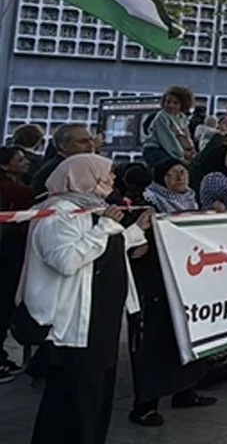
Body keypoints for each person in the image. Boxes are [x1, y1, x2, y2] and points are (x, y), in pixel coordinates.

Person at [25, 154, 152, 444]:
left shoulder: (95, 208)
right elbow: (66, 260)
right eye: (106, 174)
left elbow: (111, 247)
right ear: (83, 176)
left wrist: (137, 229)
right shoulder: (58, 213)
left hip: (102, 318)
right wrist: (104, 227)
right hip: (75, 322)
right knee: (73, 398)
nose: (112, 179)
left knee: (97, 395)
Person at [130, 159, 215, 426]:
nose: (179, 177)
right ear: (160, 178)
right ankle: (146, 405)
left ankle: (186, 391)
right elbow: (139, 247)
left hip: (190, 282)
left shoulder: (192, 200)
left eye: (183, 172)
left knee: (190, 337)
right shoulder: (148, 204)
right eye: (172, 174)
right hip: (159, 285)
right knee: (157, 343)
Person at [0, 146, 34, 383]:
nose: (26, 163)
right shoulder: (16, 191)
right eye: (19, 160)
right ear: (5, 165)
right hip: (9, 252)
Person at [30, 123, 97, 198]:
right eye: (83, 141)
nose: (91, 145)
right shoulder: (53, 171)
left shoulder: (86, 166)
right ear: (63, 145)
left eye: (91, 140)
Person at [140, 86, 195, 165]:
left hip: (172, 149)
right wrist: (181, 157)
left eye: (175, 103)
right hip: (155, 149)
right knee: (174, 166)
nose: (171, 105)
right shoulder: (162, 117)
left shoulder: (182, 118)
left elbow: (186, 137)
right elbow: (168, 139)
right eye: (168, 102)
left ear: (182, 105)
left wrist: (191, 152)